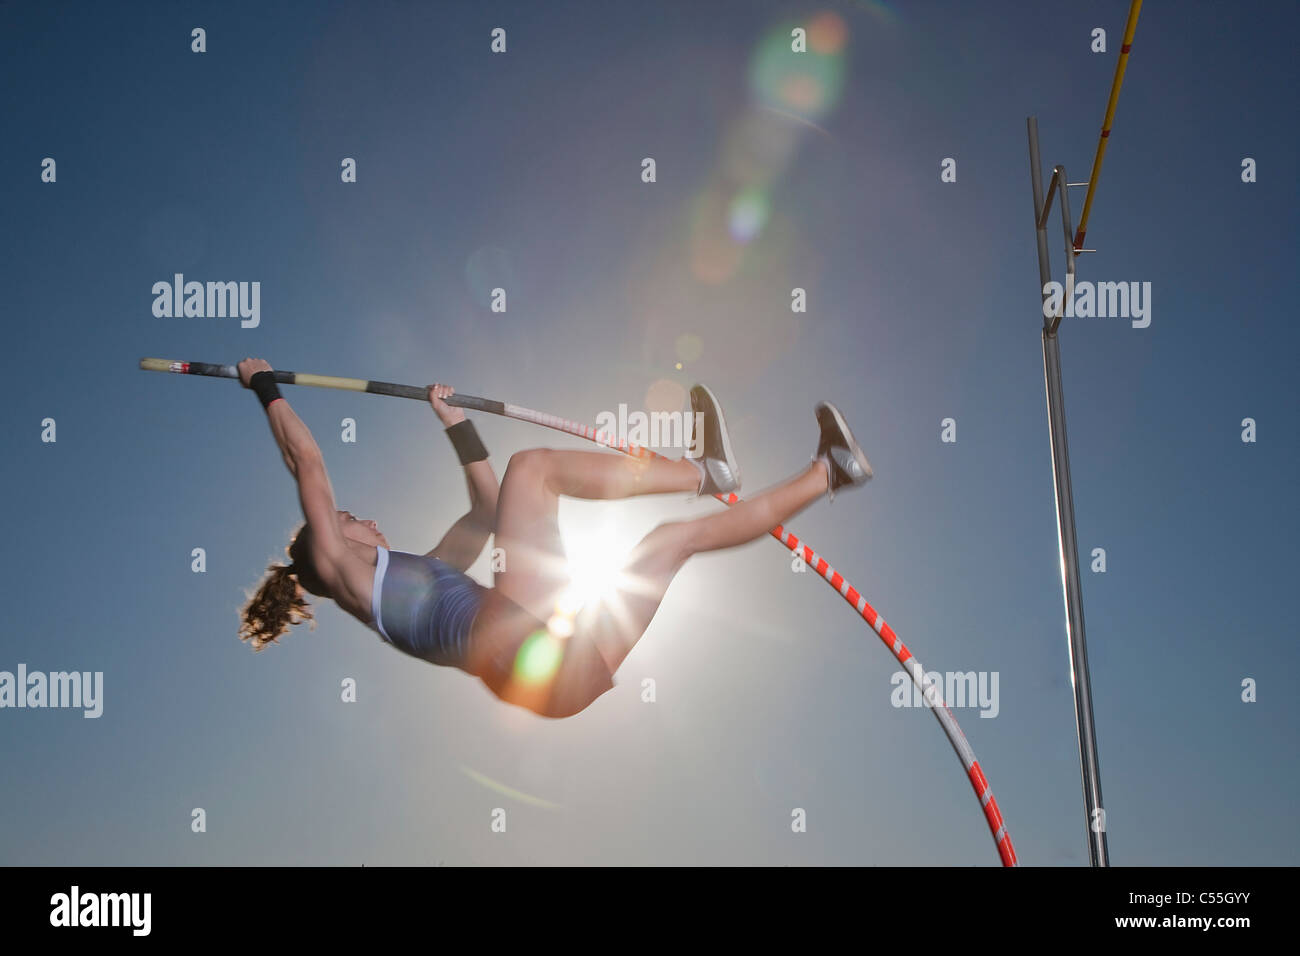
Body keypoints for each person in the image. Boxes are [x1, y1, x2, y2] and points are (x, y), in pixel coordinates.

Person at [237, 357, 872, 718]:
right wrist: (265, 386)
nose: (364, 517)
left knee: (668, 544)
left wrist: (454, 424)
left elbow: (488, 511)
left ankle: (828, 472)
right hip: (524, 649)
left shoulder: (422, 575)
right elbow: (310, 466)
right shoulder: (344, 571)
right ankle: (702, 471)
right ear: (331, 540)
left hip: (561, 681)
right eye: (350, 517)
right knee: (534, 469)